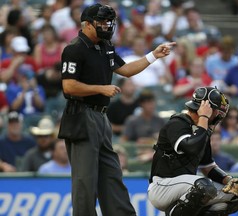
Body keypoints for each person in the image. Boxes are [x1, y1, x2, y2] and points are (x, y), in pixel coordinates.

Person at [57, 3, 176, 216]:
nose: (106, 25)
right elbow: (68, 85)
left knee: (112, 174)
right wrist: (100, 88)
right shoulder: (74, 49)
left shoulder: (105, 46)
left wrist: (153, 56)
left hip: (101, 117)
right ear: (87, 24)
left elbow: (126, 69)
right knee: (85, 179)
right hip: (82, 115)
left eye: (108, 21)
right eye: (101, 21)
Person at [148, 86, 238, 216]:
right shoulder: (177, 123)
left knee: (235, 196)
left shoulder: (202, 131)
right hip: (162, 186)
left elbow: (208, 167)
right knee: (204, 187)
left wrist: (228, 180)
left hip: (185, 188)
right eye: (217, 111)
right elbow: (192, 148)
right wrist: (203, 117)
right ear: (206, 108)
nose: (219, 115)